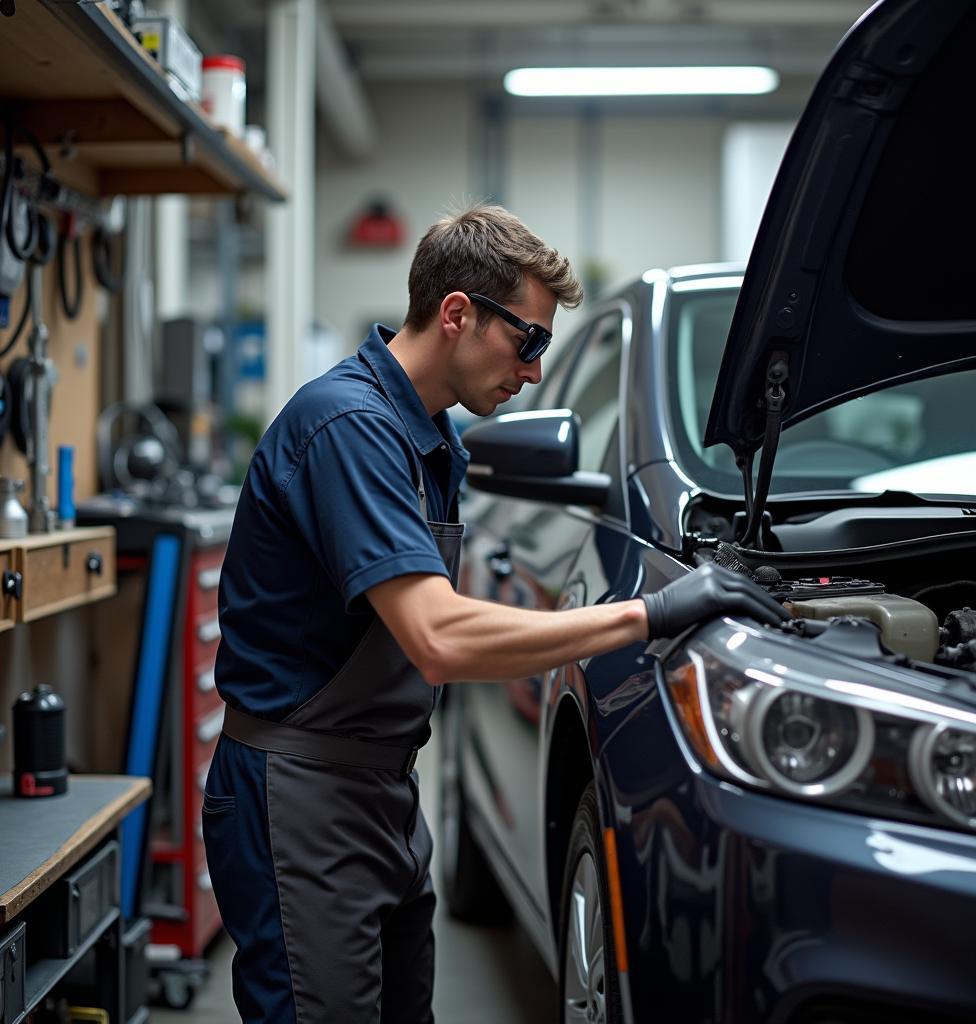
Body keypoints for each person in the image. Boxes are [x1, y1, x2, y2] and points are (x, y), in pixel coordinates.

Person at [204, 203, 786, 1024]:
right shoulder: (350, 427)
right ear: (457, 315)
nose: (537, 372)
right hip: (300, 797)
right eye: (531, 340)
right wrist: (649, 613)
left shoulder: (431, 437)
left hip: (378, 789)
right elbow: (438, 635)